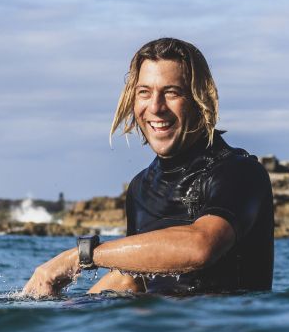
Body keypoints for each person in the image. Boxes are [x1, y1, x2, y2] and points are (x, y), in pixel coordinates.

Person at [22, 37, 273, 297]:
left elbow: (201, 245)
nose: (155, 107)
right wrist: (63, 313)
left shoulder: (239, 173)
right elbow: (134, 278)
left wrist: (81, 256)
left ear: (200, 100)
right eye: (144, 92)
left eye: (172, 92)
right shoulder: (140, 188)